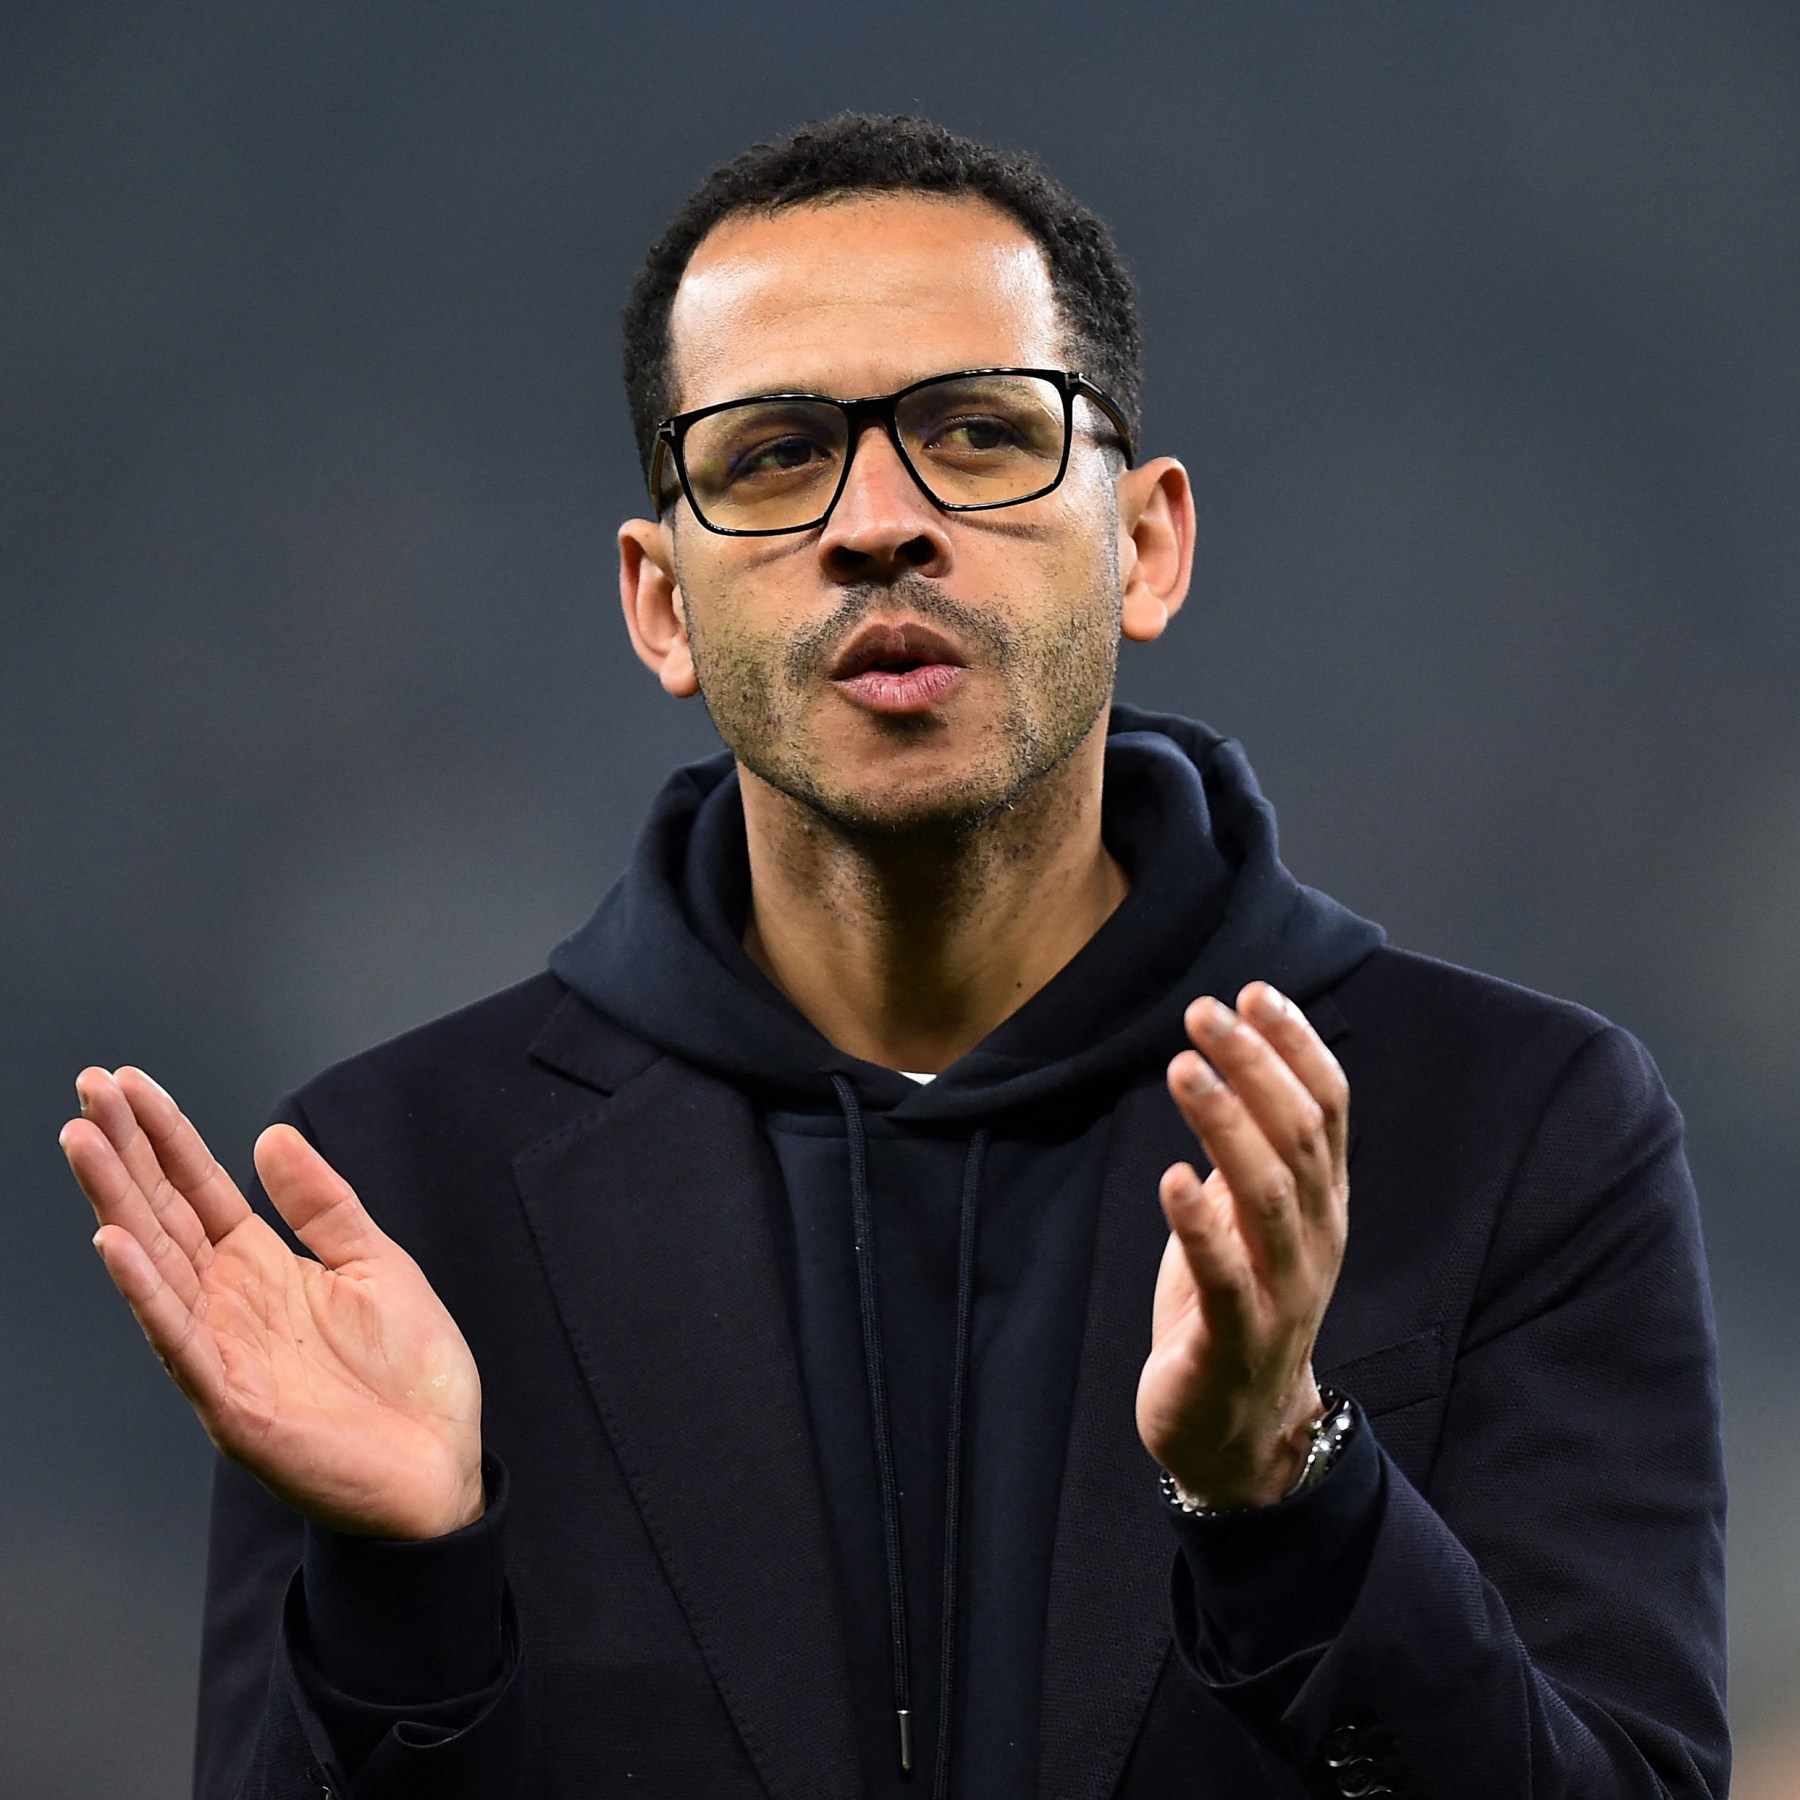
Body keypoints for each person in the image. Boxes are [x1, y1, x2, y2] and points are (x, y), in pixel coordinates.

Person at [61, 115, 1728, 1800]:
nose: (876, 523)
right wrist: (404, 1599)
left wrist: (1291, 1492)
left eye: (979, 433)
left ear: (1146, 545)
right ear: (660, 604)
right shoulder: (398, 1192)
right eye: (775, 454)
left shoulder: (1514, 1130)